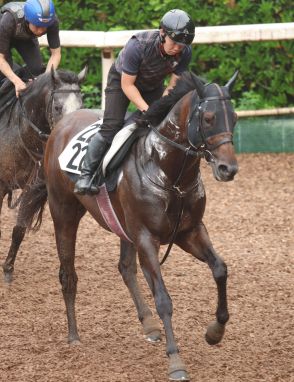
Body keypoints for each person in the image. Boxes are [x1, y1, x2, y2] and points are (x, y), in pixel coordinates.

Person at [74, 9, 195, 195]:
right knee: (111, 126)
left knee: (158, 124)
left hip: (153, 84)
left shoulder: (185, 51)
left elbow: (172, 86)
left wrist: (160, 108)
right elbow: (128, 85)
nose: (178, 48)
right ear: (162, 32)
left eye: (182, 44)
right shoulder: (137, 46)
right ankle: (86, 175)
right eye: (174, 42)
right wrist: (147, 109)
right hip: (122, 82)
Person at [0, 0, 61, 98]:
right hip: (4, 34)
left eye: (44, 27)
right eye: (37, 26)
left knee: (36, 69)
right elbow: (0, 59)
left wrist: (46, 78)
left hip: (25, 38)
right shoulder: (9, 19)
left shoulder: (52, 21)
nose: (41, 31)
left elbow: (56, 54)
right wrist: (16, 81)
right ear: (28, 20)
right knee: (6, 74)